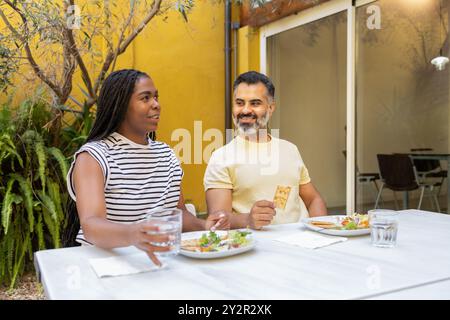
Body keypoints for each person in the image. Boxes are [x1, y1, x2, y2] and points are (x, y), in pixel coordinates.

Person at [65, 69, 229, 266]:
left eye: (156, 97)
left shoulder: (166, 154)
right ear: (121, 105)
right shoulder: (94, 157)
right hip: (106, 265)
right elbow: (92, 224)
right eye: (146, 98)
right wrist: (133, 234)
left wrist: (206, 226)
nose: (156, 104)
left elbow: (178, 215)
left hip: (159, 262)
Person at [204, 71, 327, 230]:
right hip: (255, 249)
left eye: (255, 103)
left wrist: (322, 231)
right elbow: (217, 220)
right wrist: (248, 219)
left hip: (302, 243)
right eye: (240, 103)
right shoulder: (221, 157)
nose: (246, 110)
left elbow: (314, 200)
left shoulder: (290, 149)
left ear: (270, 107)